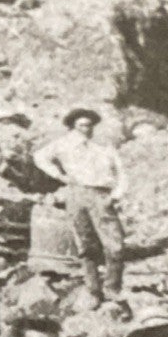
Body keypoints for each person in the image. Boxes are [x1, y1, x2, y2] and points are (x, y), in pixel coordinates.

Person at [34, 107, 126, 301]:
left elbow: (121, 172)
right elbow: (39, 157)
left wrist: (116, 195)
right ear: (73, 127)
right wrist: (60, 176)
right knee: (85, 245)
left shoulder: (103, 146)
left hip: (102, 195)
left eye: (89, 125)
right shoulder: (64, 145)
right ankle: (93, 291)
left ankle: (112, 288)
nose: (86, 129)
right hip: (76, 194)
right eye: (81, 125)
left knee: (115, 245)